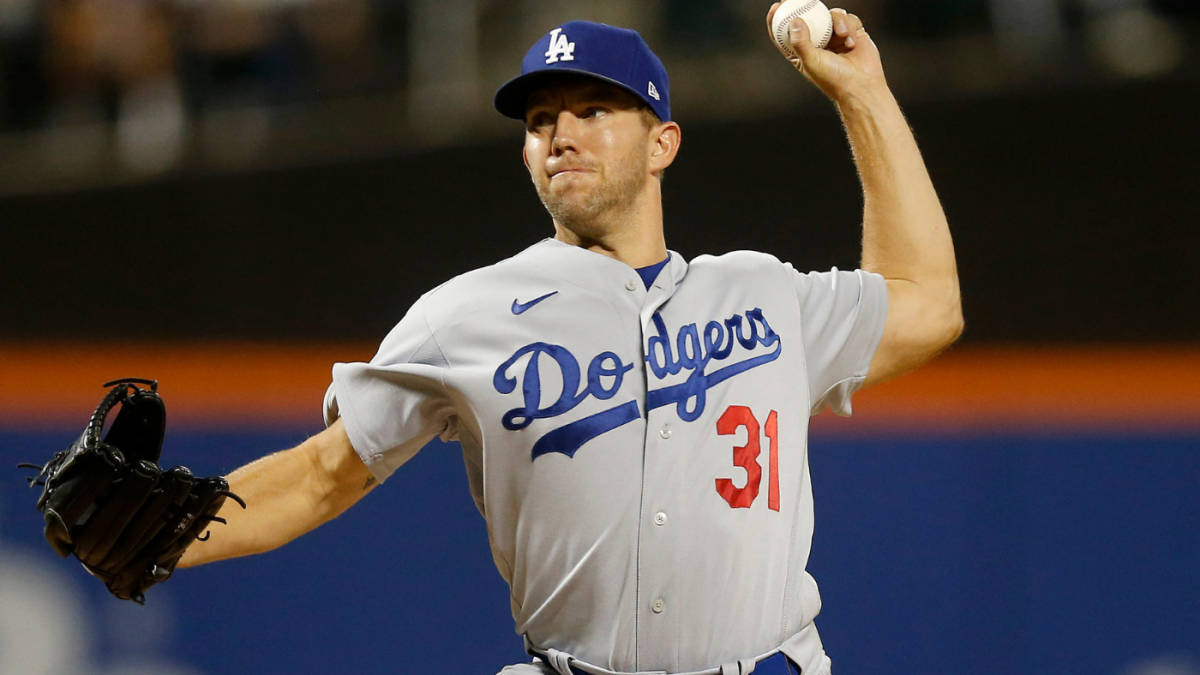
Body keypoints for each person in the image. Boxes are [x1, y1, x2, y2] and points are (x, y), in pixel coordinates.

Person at [179, 6, 963, 674]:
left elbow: (929, 305)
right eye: (541, 120)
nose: (562, 134)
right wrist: (167, 536)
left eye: (594, 110)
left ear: (663, 144)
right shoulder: (465, 315)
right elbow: (322, 473)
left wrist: (864, 94)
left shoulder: (761, 291)